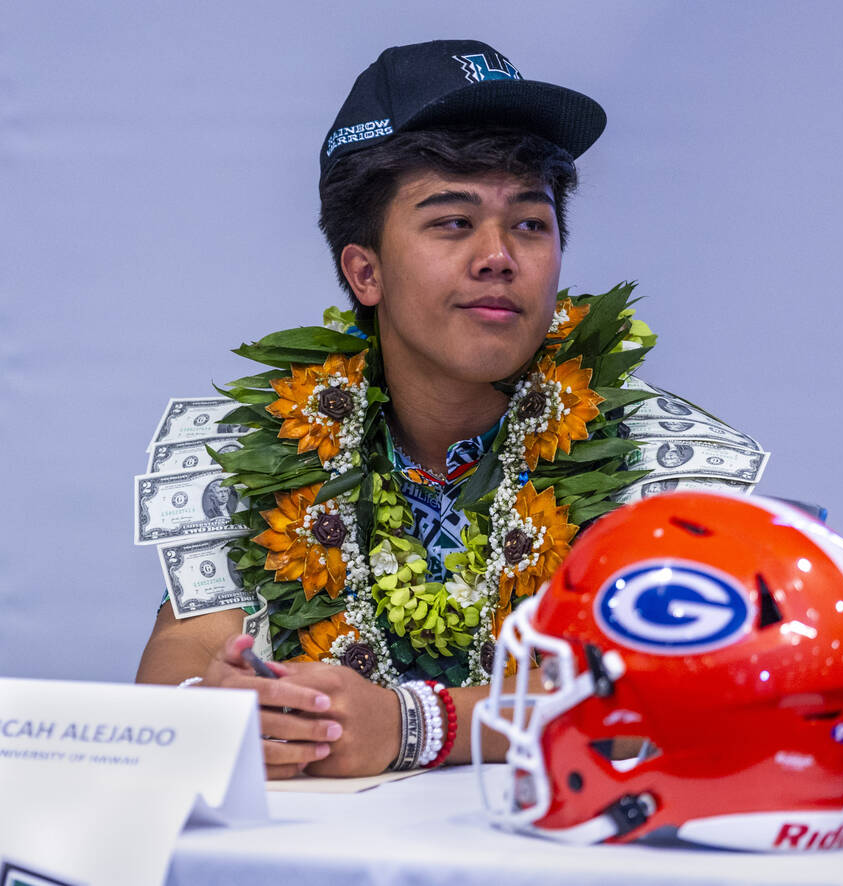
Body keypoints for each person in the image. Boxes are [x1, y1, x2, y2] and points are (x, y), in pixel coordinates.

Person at [135, 40, 768, 779]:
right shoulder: (270, 445)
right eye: (453, 222)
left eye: (529, 224)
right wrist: (229, 713)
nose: (499, 256)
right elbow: (175, 678)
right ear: (364, 270)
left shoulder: (651, 461)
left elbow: (684, 694)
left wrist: (414, 724)